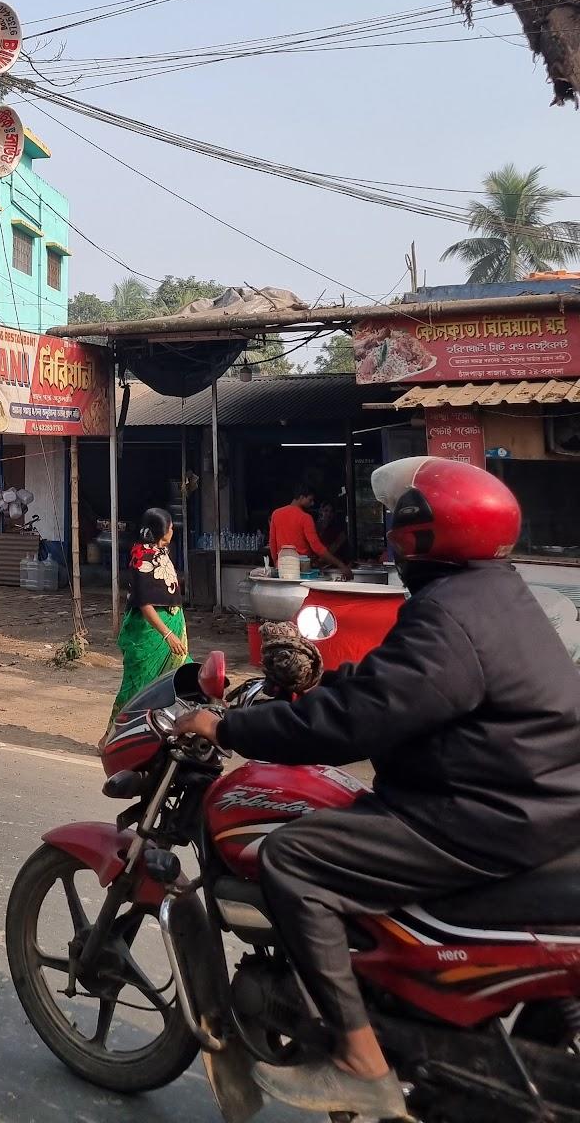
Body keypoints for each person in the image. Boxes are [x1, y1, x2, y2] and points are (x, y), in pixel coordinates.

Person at [169, 457, 580, 1119]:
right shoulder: (493, 593)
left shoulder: (450, 615)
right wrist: (323, 682)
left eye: (401, 518)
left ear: (425, 534)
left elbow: (355, 725)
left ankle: (362, 1062)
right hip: (537, 802)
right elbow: (402, 689)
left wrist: (231, 727)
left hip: (479, 814)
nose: (392, 529)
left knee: (293, 858)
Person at [105, 507, 188, 737]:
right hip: (151, 632)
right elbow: (144, 603)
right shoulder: (142, 558)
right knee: (136, 687)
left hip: (172, 626)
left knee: (178, 680)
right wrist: (167, 634)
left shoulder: (161, 550)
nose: (173, 530)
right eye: (170, 526)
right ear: (161, 531)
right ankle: (109, 737)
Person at [269, 486, 352, 578]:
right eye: (310, 500)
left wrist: (276, 563)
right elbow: (317, 548)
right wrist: (341, 565)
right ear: (301, 497)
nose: (312, 503)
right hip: (300, 569)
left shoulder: (276, 514)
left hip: (282, 567)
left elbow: (272, 543)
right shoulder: (305, 518)